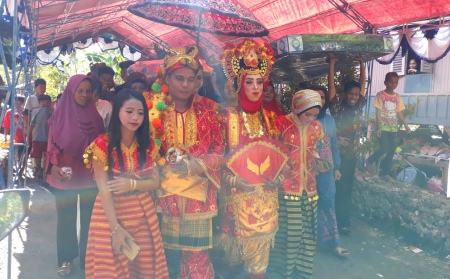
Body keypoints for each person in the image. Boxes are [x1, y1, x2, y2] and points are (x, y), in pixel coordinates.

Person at [149, 45, 224, 279]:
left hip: (198, 200)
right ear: (166, 78)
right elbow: (145, 150)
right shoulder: (152, 112)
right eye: (179, 78)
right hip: (161, 199)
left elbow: (220, 152)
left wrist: (196, 165)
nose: (185, 85)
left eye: (191, 80)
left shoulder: (209, 113)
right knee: (162, 259)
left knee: (197, 258)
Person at [84, 89, 169, 279]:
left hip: (143, 213)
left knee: (145, 266)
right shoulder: (101, 145)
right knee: (111, 269)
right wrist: (115, 229)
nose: (135, 117)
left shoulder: (148, 145)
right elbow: (104, 190)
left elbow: (156, 181)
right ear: (118, 112)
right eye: (129, 111)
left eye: (140, 113)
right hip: (110, 215)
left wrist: (132, 185)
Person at [219, 39, 285, 279]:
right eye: (249, 81)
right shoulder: (226, 119)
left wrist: (277, 180)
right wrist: (235, 182)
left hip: (265, 201)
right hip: (236, 201)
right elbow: (216, 162)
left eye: (260, 81)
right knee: (232, 264)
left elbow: (279, 160)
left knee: (258, 268)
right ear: (239, 84)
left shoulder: (270, 119)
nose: (256, 87)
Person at [45, 74, 104, 277]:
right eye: (80, 91)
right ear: (71, 91)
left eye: (88, 91)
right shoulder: (59, 115)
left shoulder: (96, 117)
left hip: (90, 178)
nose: (84, 95)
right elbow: (52, 145)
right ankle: (65, 260)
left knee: (92, 221)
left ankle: (88, 259)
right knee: (66, 220)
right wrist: (53, 167)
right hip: (65, 177)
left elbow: (102, 146)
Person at [267, 90, 323, 279]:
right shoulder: (280, 124)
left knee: (309, 234)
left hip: (310, 189)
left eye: (315, 115)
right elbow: (270, 156)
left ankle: (302, 273)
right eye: (308, 114)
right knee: (290, 236)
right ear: (297, 108)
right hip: (286, 189)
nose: (311, 119)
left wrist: (320, 161)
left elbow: (316, 152)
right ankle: (282, 274)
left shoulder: (316, 128)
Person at [328, 57, 366, 234]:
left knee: (347, 189)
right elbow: (331, 89)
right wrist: (332, 64)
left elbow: (363, 84)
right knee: (337, 189)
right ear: (345, 94)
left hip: (352, 156)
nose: (353, 97)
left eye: (356, 94)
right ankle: (337, 222)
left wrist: (362, 64)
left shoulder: (359, 106)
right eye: (351, 94)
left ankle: (343, 222)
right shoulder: (337, 108)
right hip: (338, 154)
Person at [310, 85, 349, 256]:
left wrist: (337, 167)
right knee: (308, 204)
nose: (320, 100)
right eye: (316, 96)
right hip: (308, 169)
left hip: (327, 169)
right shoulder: (304, 119)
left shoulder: (330, 120)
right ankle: (308, 243)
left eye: (323, 97)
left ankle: (334, 243)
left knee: (328, 202)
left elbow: (334, 145)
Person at [366, 72, 411, 182]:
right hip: (383, 127)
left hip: (393, 128)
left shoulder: (397, 97)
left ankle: (384, 173)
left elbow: (399, 112)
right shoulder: (380, 95)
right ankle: (370, 160)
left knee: (391, 149)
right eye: (390, 81)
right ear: (385, 82)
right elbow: (378, 111)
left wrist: (406, 125)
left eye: (395, 82)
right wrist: (378, 127)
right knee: (384, 148)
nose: (393, 84)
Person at [23, 78, 47, 176]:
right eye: (41, 87)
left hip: (44, 130)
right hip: (32, 129)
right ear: (35, 88)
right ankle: (22, 169)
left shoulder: (46, 98)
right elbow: (25, 114)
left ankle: (40, 169)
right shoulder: (31, 98)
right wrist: (26, 127)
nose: (43, 89)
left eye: (44, 87)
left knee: (42, 151)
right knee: (29, 149)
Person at [29, 94, 52, 181]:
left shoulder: (52, 112)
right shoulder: (37, 111)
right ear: (40, 103)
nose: (46, 104)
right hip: (37, 138)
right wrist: (28, 137)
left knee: (47, 157)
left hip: (48, 139)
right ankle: (39, 170)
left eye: (48, 102)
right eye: (43, 102)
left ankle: (44, 172)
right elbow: (31, 125)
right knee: (36, 156)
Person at [2, 95, 26, 172]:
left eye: (18, 102)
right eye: (15, 102)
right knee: (12, 154)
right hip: (13, 138)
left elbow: (26, 125)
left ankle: (20, 168)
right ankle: (13, 169)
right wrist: (5, 137)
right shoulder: (9, 112)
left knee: (21, 154)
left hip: (23, 138)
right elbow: (6, 126)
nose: (16, 104)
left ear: (22, 103)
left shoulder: (24, 112)